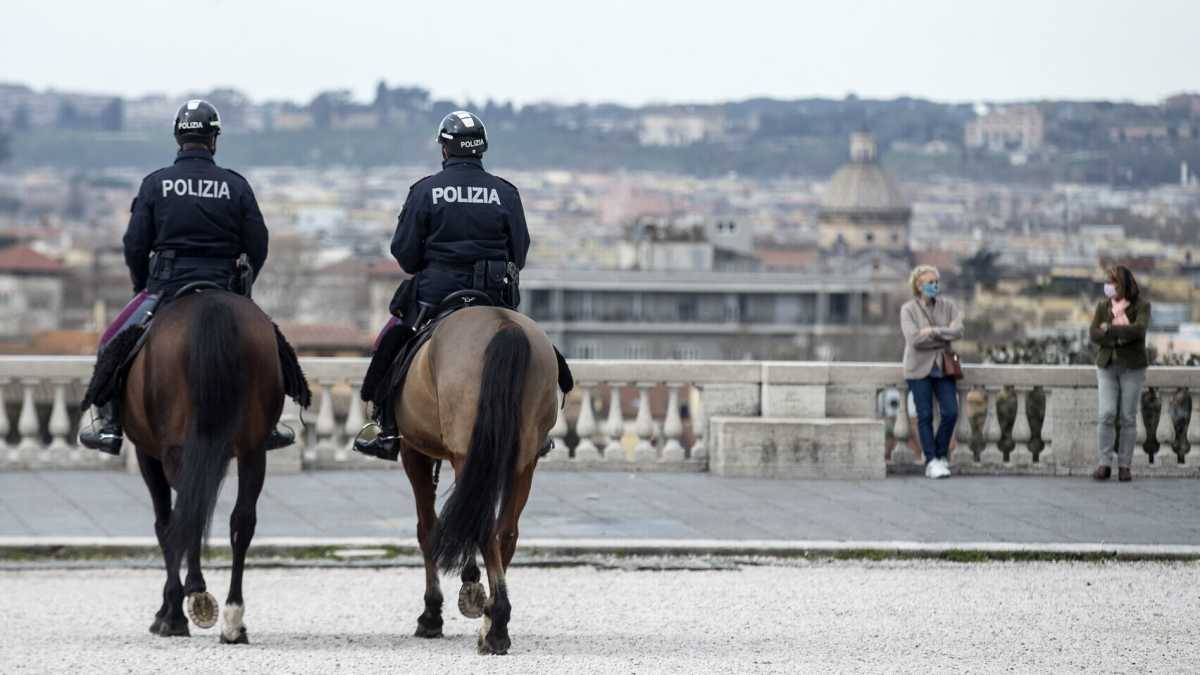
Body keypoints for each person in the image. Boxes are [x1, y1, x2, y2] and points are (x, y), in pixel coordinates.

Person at [79, 99, 293, 454]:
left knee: (110, 343)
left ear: (178, 138)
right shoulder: (236, 186)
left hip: (166, 287)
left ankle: (110, 425)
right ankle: (268, 425)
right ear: (214, 140)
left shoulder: (155, 184)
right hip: (225, 285)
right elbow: (259, 244)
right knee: (274, 349)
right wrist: (243, 288)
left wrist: (142, 285)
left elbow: (134, 244)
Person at [354, 110, 530, 459]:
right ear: (482, 149)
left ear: (445, 150)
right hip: (493, 298)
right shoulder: (505, 193)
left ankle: (386, 428)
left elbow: (404, 255)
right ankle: (536, 431)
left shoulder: (425, 191)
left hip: (436, 295)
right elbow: (519, 254)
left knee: (390, 342)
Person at [900, 265, 963, 479]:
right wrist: (944, 335)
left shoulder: (948, 306)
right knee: (924, 415)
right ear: (919, 285)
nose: (935, 286)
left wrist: (935, 330)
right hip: (918, 368)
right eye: (930, 283)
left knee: (951, 412)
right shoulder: (908, 310)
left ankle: (939, 454)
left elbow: (959, 331)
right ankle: (932, 460)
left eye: (936, 282)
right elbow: (914, 340)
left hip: (943, 367)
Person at [1089, 265, 1151, 482]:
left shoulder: (1141, 306)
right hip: (1106, 367)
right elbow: (1094, 334)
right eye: (1109, 280)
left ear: (1124, 284)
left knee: (1127, 417)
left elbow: (1138, 330)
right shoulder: (1102, 306)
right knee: (1106, 414)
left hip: (1132, 368)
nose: (1109, 285)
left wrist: (1111, 330)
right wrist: (1116, 337)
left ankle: (1125, 465)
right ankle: (1104, 464)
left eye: (1114, 281)